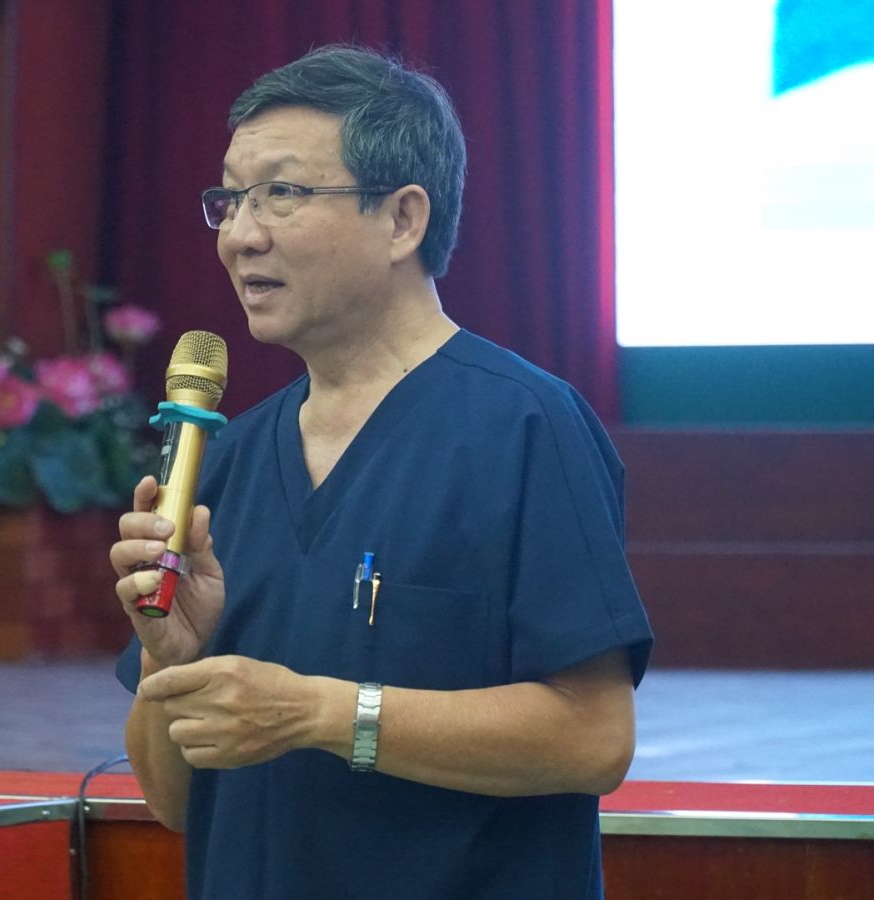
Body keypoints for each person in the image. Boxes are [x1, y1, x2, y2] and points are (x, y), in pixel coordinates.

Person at [110, 44, 653, 899]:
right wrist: (166, 660)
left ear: (402, 219)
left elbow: (593, 738)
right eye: (231, 199)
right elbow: (175, 801)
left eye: (282, 193)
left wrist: (322, 714)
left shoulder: (524, 425)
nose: (242, 234)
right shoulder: (227, 455)